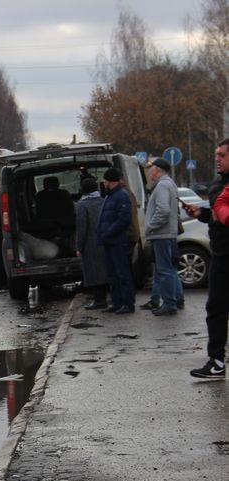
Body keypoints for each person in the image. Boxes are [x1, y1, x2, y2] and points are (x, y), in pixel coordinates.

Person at [185, 138, 229, 379]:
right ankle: (217, 362)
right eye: (216, 155)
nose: (217, 159)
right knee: (215, 307)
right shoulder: (218, 183)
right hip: (220, 254)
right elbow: (216, 214)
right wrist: (200, 212)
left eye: (222, 155)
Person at [140, 157, 181, 316]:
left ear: (157, 170)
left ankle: (169, 304)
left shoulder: (162, 185)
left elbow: (163, 211)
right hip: (166, 233)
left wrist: (150, 226)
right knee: (168, 269)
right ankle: (174, 300)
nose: (150, 172)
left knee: (164, 271)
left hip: (161, 234)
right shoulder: (169, 183)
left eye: (151, 169)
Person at [97, 167, 135, 314]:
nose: (103, 183)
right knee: (112, 274)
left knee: (122, 273)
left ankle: (127, 303)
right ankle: (117, 302)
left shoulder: (121, 196)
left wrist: (108, 232)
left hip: (118, 241)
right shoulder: (111, 195)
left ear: (110, 181)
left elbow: (124, 219)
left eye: (105, 180)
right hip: (109, 241)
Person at [74, 177, 108, 309]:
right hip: (104, 241)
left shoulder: (81, 205)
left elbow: (81, 228)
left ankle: (99, 300)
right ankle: (106, 297)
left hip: (90, 244)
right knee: (104, 270)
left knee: (93, 272)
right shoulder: (103, 201)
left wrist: (79, 247)